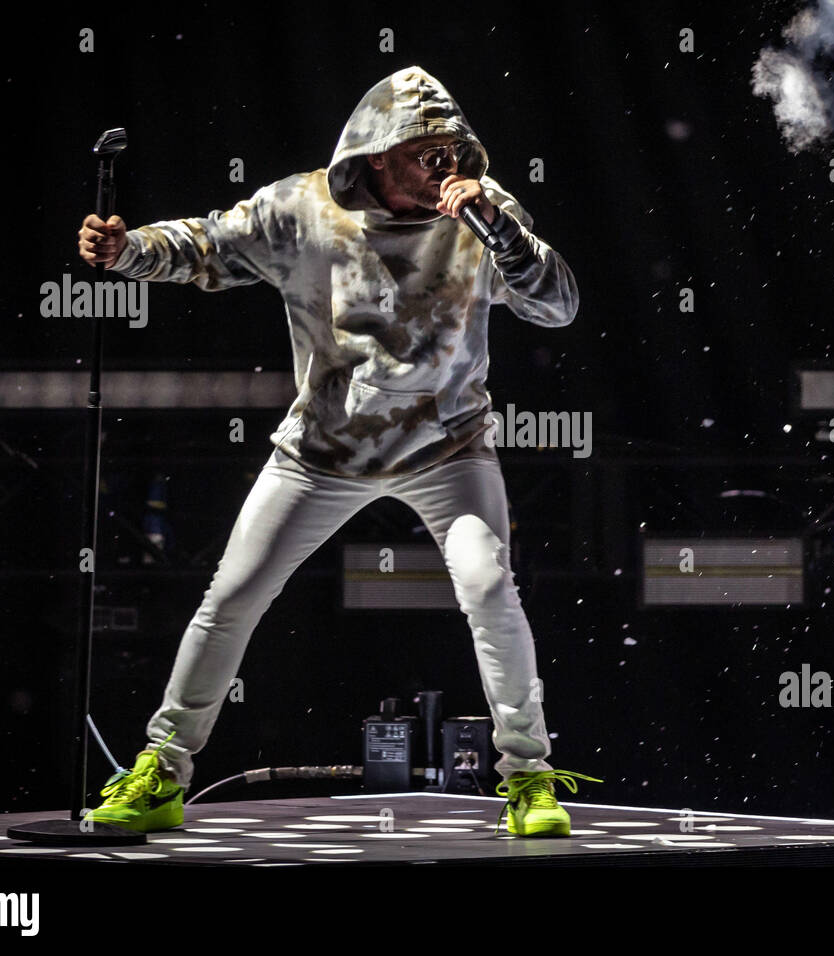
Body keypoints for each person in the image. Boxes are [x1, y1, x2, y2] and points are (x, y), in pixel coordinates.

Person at [75, 66, 599, 837]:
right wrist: (127, 252)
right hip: (320, 453)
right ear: (378, 155)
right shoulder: (305, 209)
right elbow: (207, 244)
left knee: (490, 587)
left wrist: (502, 230)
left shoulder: (483, 215)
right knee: (232, 599)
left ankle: (528, 777)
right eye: (429, 154)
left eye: (456, 152)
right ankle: (161, 770)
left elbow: (558, 305)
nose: (448, 169)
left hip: (448, 447)